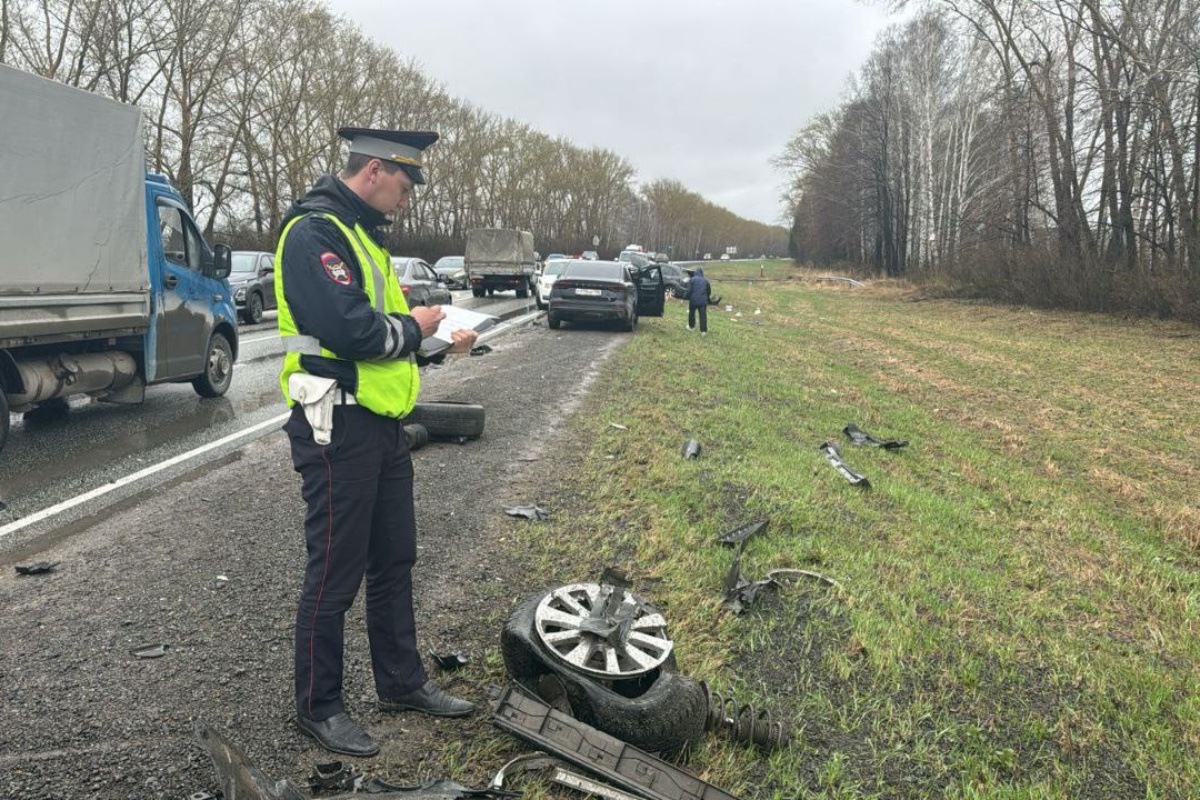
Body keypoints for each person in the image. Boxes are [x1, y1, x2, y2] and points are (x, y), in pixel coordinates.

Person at [274, 127, 477, 758]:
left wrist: (436, 342)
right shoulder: (315, 232)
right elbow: (350, 329)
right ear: (375, 171)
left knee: (394, 561)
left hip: (382, 425)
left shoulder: (362, 235)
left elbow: (384, 346)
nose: (409, 198)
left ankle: (401, 682)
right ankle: (320, 706)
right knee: (334, 571)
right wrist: (415, 328)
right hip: (337, 427)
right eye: (406, 183)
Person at [687, 266, 712, 335]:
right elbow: (709, 292)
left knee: (691, 313)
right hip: (703, 301)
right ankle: (703, 331)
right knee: (703, 316)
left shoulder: (692, 280)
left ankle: (691, 327)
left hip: (693, 300)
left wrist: (686, 297)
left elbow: (689, 291)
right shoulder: (706, 281)